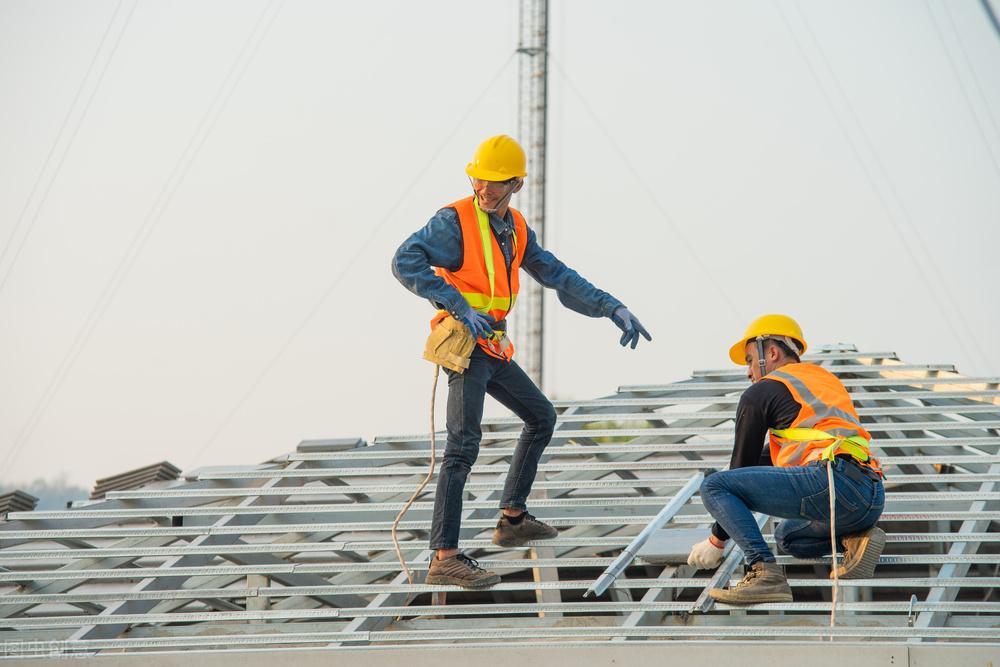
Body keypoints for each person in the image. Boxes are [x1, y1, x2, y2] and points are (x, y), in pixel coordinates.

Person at [392, 134, 651, 588]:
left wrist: (610, 306)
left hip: (491, 345)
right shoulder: (454, 221)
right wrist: (454, 303)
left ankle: (511, 518)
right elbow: (404, 259)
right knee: (462, 446)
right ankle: (444, 555)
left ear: (516, 184)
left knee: (540, 416)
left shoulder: (515, 228)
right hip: (464, 343)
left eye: (495, 183)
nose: (484, 189)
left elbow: (557, 274)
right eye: (479, 179)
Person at [687, 314, 885, 604]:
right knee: (788, 538)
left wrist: (717, 540)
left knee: (715, 486)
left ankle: (763, 570)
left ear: (771, 352)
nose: (749, 371)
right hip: (869, 494)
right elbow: (777, 454)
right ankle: (854, 540)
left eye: (749, 360)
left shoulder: (762, 391)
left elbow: (741, 465)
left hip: (830, 481)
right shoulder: (824, 380)